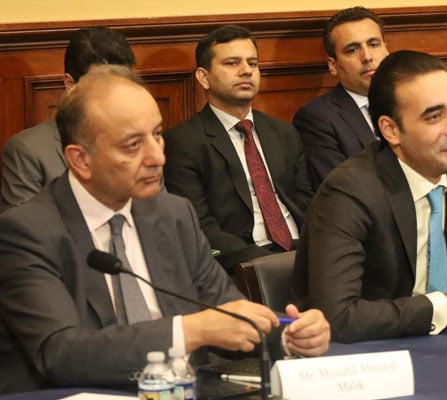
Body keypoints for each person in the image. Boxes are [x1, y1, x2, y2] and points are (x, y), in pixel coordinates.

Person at [0, 65, 330, 394]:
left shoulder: (173, 214)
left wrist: (287, 335)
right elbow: (61, 353)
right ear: (81, 160)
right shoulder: (27, 232)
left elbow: (227, 314)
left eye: (157, 134)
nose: (157, 157)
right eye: (133, 145)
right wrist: (188, 331)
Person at [290, 50, 447, 343]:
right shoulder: (349, 191)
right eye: (434, 116)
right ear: (391, 130)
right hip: (374, 355)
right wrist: (446, 307)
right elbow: (338, 316)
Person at [164, 25, 313, 272]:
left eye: (252, 63)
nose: (246, 71)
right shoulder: (183, 143)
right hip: (243, 263)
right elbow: (198, 226)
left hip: (303, 253)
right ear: (203, 77)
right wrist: (269, 264)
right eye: (232, 63)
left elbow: (307, 204)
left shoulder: (284, 133)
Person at [0, 27, 136, 212]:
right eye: (102, 86)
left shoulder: (143, 142)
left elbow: (160, 216)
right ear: (70, 84)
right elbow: (23, 228)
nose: (116, 97)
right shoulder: (28, 151)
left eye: (124, 85)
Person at [293, 6, 389, 190]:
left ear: (386, 50)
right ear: (333, 65)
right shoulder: (316, 119)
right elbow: (342, 191)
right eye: (352, 50)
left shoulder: (411, 102)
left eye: (374, 45)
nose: (367, 57)